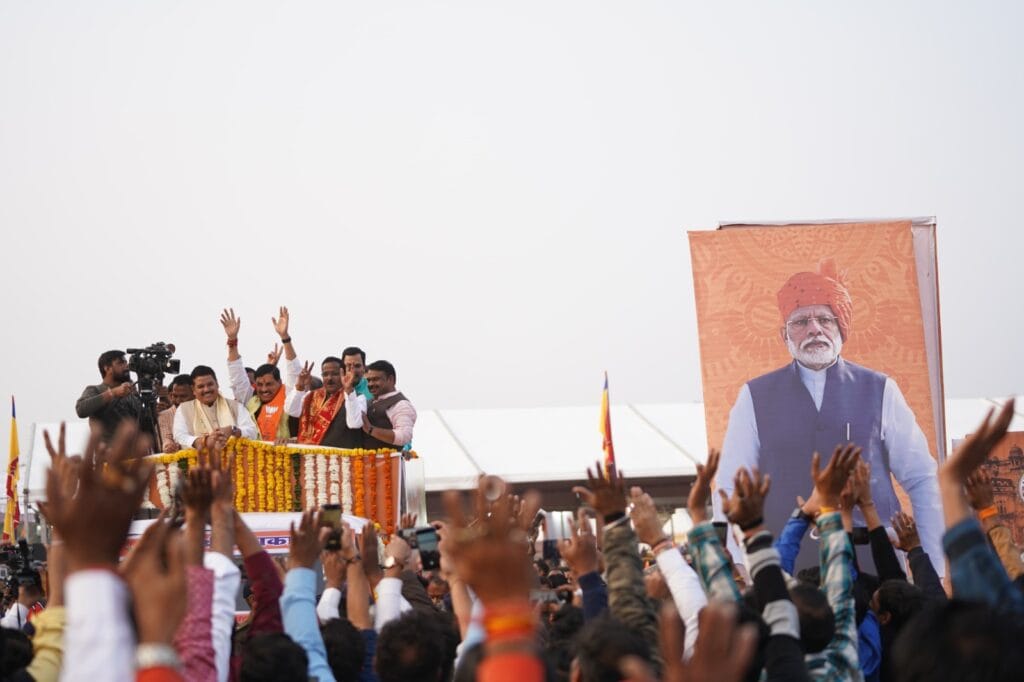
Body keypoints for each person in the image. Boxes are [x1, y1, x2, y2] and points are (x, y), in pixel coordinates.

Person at [715, 260, 943, 573]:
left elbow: (921, 477)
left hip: (875, 567)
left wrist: (930, 564)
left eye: (825, 318)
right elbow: (732, 483)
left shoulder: (880, 388)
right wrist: (741, 561)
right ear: (784, 334)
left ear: (841, 328)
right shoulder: (754, 395)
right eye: (801, 321)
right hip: (788, 567)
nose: (814, 329)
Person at [220, 307, 301, 442]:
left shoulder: (289, 395)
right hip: (253, 459)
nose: (264, 389)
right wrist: (232, 339)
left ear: (279, 382)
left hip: (286, 458)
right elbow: (236, 375)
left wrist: (285, 338)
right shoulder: (251, 398)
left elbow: (294, 371)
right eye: (260, 385)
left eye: (269, 384)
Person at [287, 354, 366, 448]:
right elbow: (291, 411)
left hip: (339, 459)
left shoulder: (357, 397)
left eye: (335, 374)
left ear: (344, 375)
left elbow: (355, 423)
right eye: (325, 374)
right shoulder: (310, 395)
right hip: (308, 457)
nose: (329, 378)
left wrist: (349, 391)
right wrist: (299, 387)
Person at [172, 366, 257, 449]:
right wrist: (204, 441)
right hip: (199, 461)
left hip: (235, 460)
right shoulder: (184, 409)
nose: (206, 389)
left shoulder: (235, 406)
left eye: (210, 384)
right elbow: (179, 436)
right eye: (201, 386)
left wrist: (233, 430)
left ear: (217, 384)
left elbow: (252, 431)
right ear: (193, 389)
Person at [75, 350, 145, 443]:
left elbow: (144, 423)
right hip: (109, 455)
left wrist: (163, 401)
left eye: (126, 362)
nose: (126, 366)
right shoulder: (95, 390)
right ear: (107, 368)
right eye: (120, 363)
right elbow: (81, 409)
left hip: (136, 454)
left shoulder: (131, 392)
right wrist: (113, 393)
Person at [347, 360, 417, 449]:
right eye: (368, 380)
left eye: (376, 379)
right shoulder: (368, 402)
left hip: (389, 462)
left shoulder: (401, 404)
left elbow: (404, 436)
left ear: (391, 379)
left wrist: (371, 429)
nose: (371, 384)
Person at [158, 375, 194, 453]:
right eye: (175, 396)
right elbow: (166, 438)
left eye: (183, 396)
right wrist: (169, 446)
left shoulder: (203, 409)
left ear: (194, 394)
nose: (178, 400)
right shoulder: (164, 416)